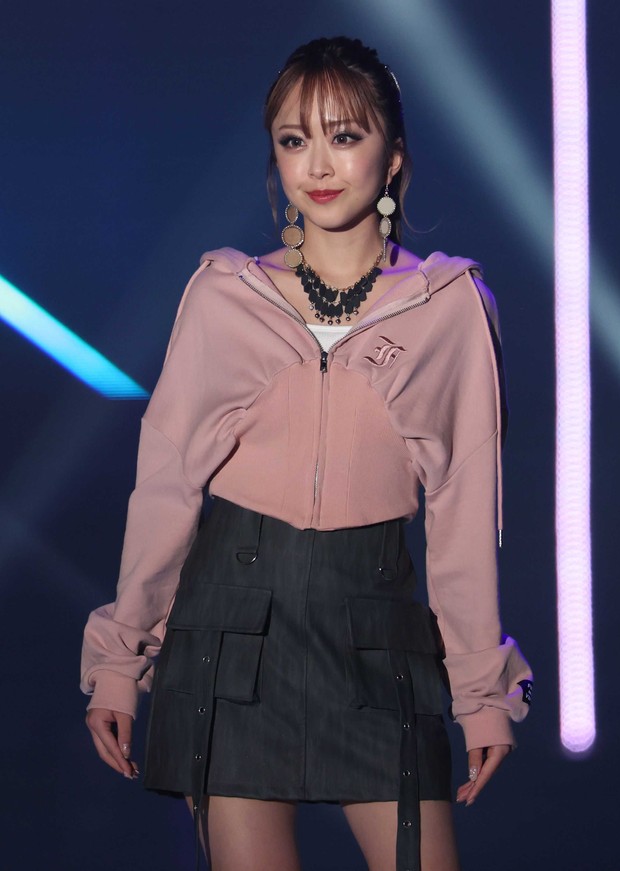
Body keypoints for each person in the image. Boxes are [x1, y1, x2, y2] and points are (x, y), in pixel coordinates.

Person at [81, 36, 532, 871]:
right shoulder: (224, 295)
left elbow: (465, 509)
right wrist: (120, 662)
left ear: (393, 157)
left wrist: (481, 694)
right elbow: (166, 488)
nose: (317, 164)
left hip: (377, 632)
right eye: (294, 139)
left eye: (345, 136)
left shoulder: (451, 306)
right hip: (231, 634)